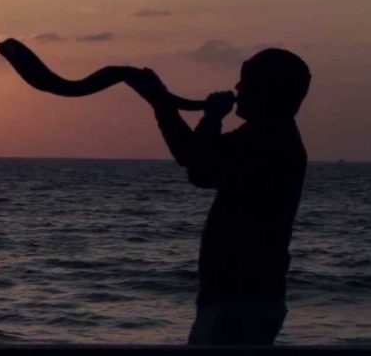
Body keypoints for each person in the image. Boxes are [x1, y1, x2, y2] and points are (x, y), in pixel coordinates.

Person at [125, 49, 311, 345]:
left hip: (239, 303)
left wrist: (174, 106)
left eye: (246, 83)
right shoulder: (268, 135)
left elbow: (198, 165)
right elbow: (200, 164)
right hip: (243, 299)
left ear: (270, 91)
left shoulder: (269, 141)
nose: (237, 89)